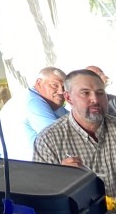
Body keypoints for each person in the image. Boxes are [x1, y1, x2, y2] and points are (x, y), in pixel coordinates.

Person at [34, 69, 116, 203]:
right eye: (85, 93)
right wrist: (61, 179)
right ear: (68, 98)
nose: (95, 99)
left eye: (100, 93)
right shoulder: (49, 140)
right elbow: (41, 196)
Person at [0, 66, 67, 160]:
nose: (61, 91)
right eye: (55, 85)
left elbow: (75, 123)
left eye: (64, 87)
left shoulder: (49, 101)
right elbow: (59, 139)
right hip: (22, 168)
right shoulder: (32, 101)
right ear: (39, 83)